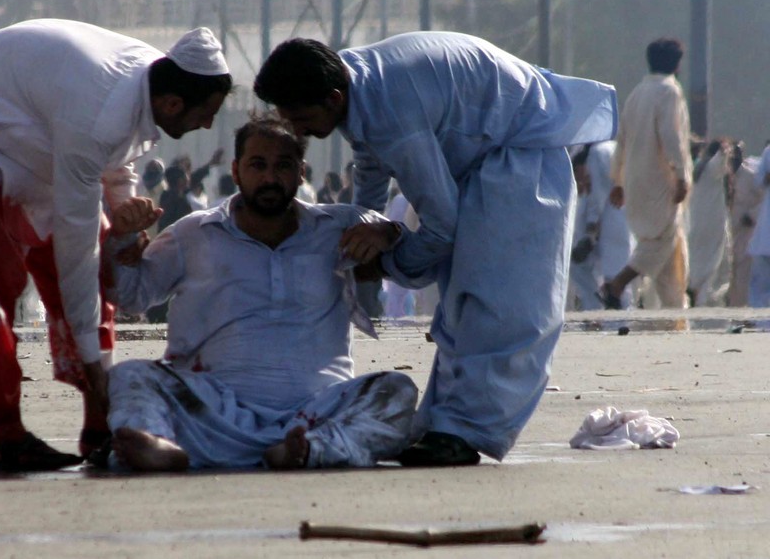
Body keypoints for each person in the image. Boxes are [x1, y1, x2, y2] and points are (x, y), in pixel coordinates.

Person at [253, 32, 617, 465]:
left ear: (331, 99)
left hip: (519, 160)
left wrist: (385, 261)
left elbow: (442, 226)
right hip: (482, 160)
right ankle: (446, 423)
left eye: (300, 119)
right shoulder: (350, 79)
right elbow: (370, 164)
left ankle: (465, 433)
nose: (296, 132)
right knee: (461, 309)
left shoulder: (387, 108)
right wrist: (356, 232)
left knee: (500, 307)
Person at [0, 19, 231, 472]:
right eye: (205, 114)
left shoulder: (145, 81)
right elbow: (76, 253)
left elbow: (118, 162)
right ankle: (7, 432)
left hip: (35, 139)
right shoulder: (99, 113)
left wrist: (124, 217)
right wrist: (93, 362)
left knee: (95, 274)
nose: (208, 124)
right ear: (173, 103)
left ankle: (99, 425)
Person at [104, 115, 417, 472]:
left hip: (316, 414)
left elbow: (409, 248)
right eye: (258, 165)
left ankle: (311, 450)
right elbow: (131, 296)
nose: (270, 178)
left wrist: (390, 233)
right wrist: (123, 240)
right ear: (236, 172)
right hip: (211, 415)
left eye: (283, 166)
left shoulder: (339, 226)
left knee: (397, 390)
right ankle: (158, 444)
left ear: (300, 173)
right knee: (130, 375)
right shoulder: (193, 233)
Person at [603, 38, 693, 310]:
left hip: (636, 180)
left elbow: (623, 139)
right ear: (677, 64)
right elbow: (671, 136)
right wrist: (680, 176)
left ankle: (671, 317)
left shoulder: (637, 92)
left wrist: (618, 181)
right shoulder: (669, 91)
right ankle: (617, 283)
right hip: (661, 182)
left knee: (671, 253)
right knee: (661, 238)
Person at [569, 143, 635, 311]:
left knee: (614, 278)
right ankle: (609, 315)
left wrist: (590, 235)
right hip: (622, 214)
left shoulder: (596, 156)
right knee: (615, 273)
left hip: (613, 218)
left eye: (578, 176)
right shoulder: (610, 147)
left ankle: (616, 321)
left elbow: (597, 198)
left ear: (580, 167)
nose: (581, 182)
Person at [687, 139, 733, 306]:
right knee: (711, 266)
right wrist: (724, 150)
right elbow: (719, 161)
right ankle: (700, 299)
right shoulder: (709, 168)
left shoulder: (694, 169)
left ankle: (695, 293)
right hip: (711, 225)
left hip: (696, 224)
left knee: (699, 263)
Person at [728, 142, 764, 307]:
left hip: (746, 234)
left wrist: (751, 215)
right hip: (728, 235)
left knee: (743, 279)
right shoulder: (722, 177)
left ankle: (742, 316)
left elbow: (765, 200)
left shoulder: (751, 176)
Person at [746, 142, 770, 307]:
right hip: (765, 236)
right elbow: (760, 180)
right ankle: (761, 324)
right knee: (760, 285)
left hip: (764, 238)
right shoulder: (768, 152)